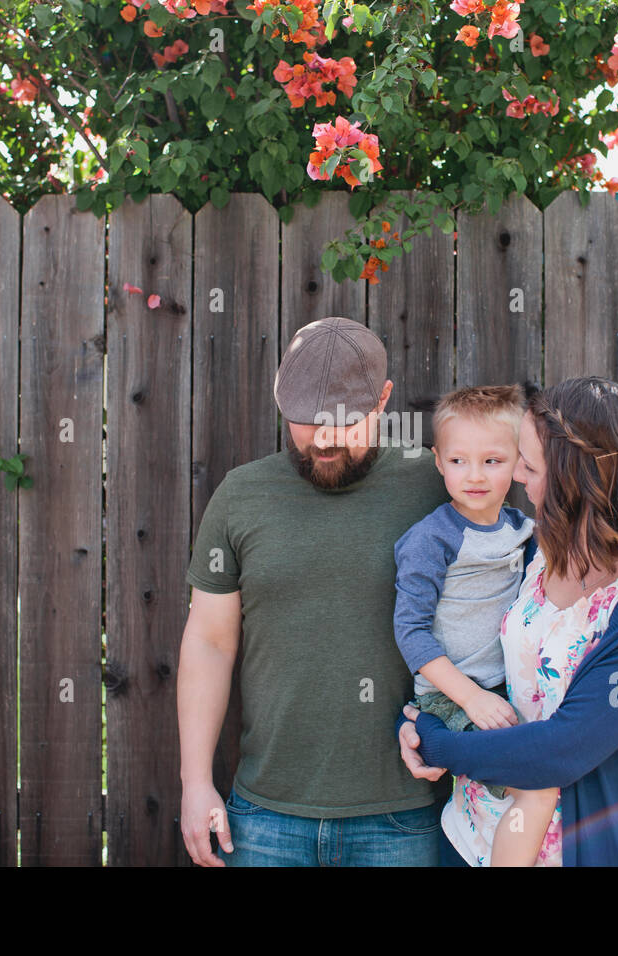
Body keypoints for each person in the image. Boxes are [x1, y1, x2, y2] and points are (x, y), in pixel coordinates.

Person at [396, 376, 618, 866]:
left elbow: (562, 750)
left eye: (529, 465)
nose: (516, 476)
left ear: (579, 483)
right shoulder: (543, 544)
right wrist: (417, 719)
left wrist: (437, 741)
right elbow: (455, 638)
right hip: (474, 832)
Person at [178, 316, 450, 867]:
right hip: (263, 819)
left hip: (403, 817)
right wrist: (195, 782)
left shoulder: (440, 486)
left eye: (343, 422)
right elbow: (209, 642)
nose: (323, 439)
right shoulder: (242, 496)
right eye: (305, 421)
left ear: (383, 400)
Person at [392, 384, 558, 866]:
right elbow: (411, 632)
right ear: (438, 462)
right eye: (459, 461)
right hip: (451, 695)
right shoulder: (432, 539)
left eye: (493, 461)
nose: (476, 475)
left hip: (504, 686)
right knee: (527, 781)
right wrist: (471, 697)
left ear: (519, 464)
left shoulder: (520, 528)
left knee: (540, 784)